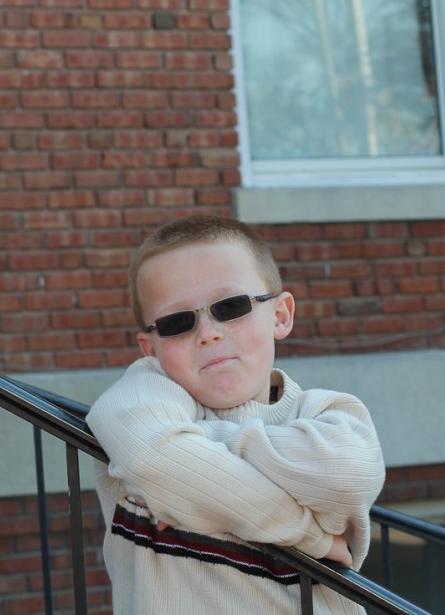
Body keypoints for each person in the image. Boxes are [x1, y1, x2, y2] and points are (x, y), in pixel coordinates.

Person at [86, 215, 385, 614]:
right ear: (150, 348)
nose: (207, 332)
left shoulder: (331, 412)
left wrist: (197, 452)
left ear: (280, 315)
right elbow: (150, 457)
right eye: (178, 322)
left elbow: (349, 477)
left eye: (231, 306)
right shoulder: (139, 398)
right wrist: (310, 538)